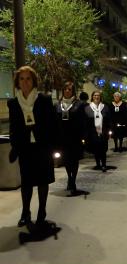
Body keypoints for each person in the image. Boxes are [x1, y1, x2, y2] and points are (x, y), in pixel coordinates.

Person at [7, 66, 56, 227]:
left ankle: (42, 211)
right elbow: (13, 127)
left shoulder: (44, 100)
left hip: (42, 147)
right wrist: (14, 147)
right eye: (22, 79)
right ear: (17, 82)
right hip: (25, 148)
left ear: (34, 81)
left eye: (28, 78)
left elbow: (51, 125)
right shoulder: (13, 103)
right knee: (26, 182)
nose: (25, 82)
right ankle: (25, 213)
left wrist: (53, 146)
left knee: (43, 181)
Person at [55, 81, 85, 196]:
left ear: (73, 91)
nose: (67, 91)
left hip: (75, 137)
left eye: (70, 89)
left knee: (74, 159)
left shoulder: (79, 104)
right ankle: (69, 177)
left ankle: (73, 180)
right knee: (66, 160)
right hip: (62, 137)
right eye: (65, 89)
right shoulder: (57, 105)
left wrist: (83, 137)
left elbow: (83, 121)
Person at [84, 90, 111, 172]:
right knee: (96, 149)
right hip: (92, 132)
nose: (96, 97)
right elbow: (85, 122)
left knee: (103, 149)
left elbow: (109, 120)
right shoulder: (88, 108)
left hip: (103, 131)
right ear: (92, 97)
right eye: (95, 95)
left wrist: (109, 131)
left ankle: (104, 165)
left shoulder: (105, 107)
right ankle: (98, 164)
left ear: (100, 97)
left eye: (98, 95)